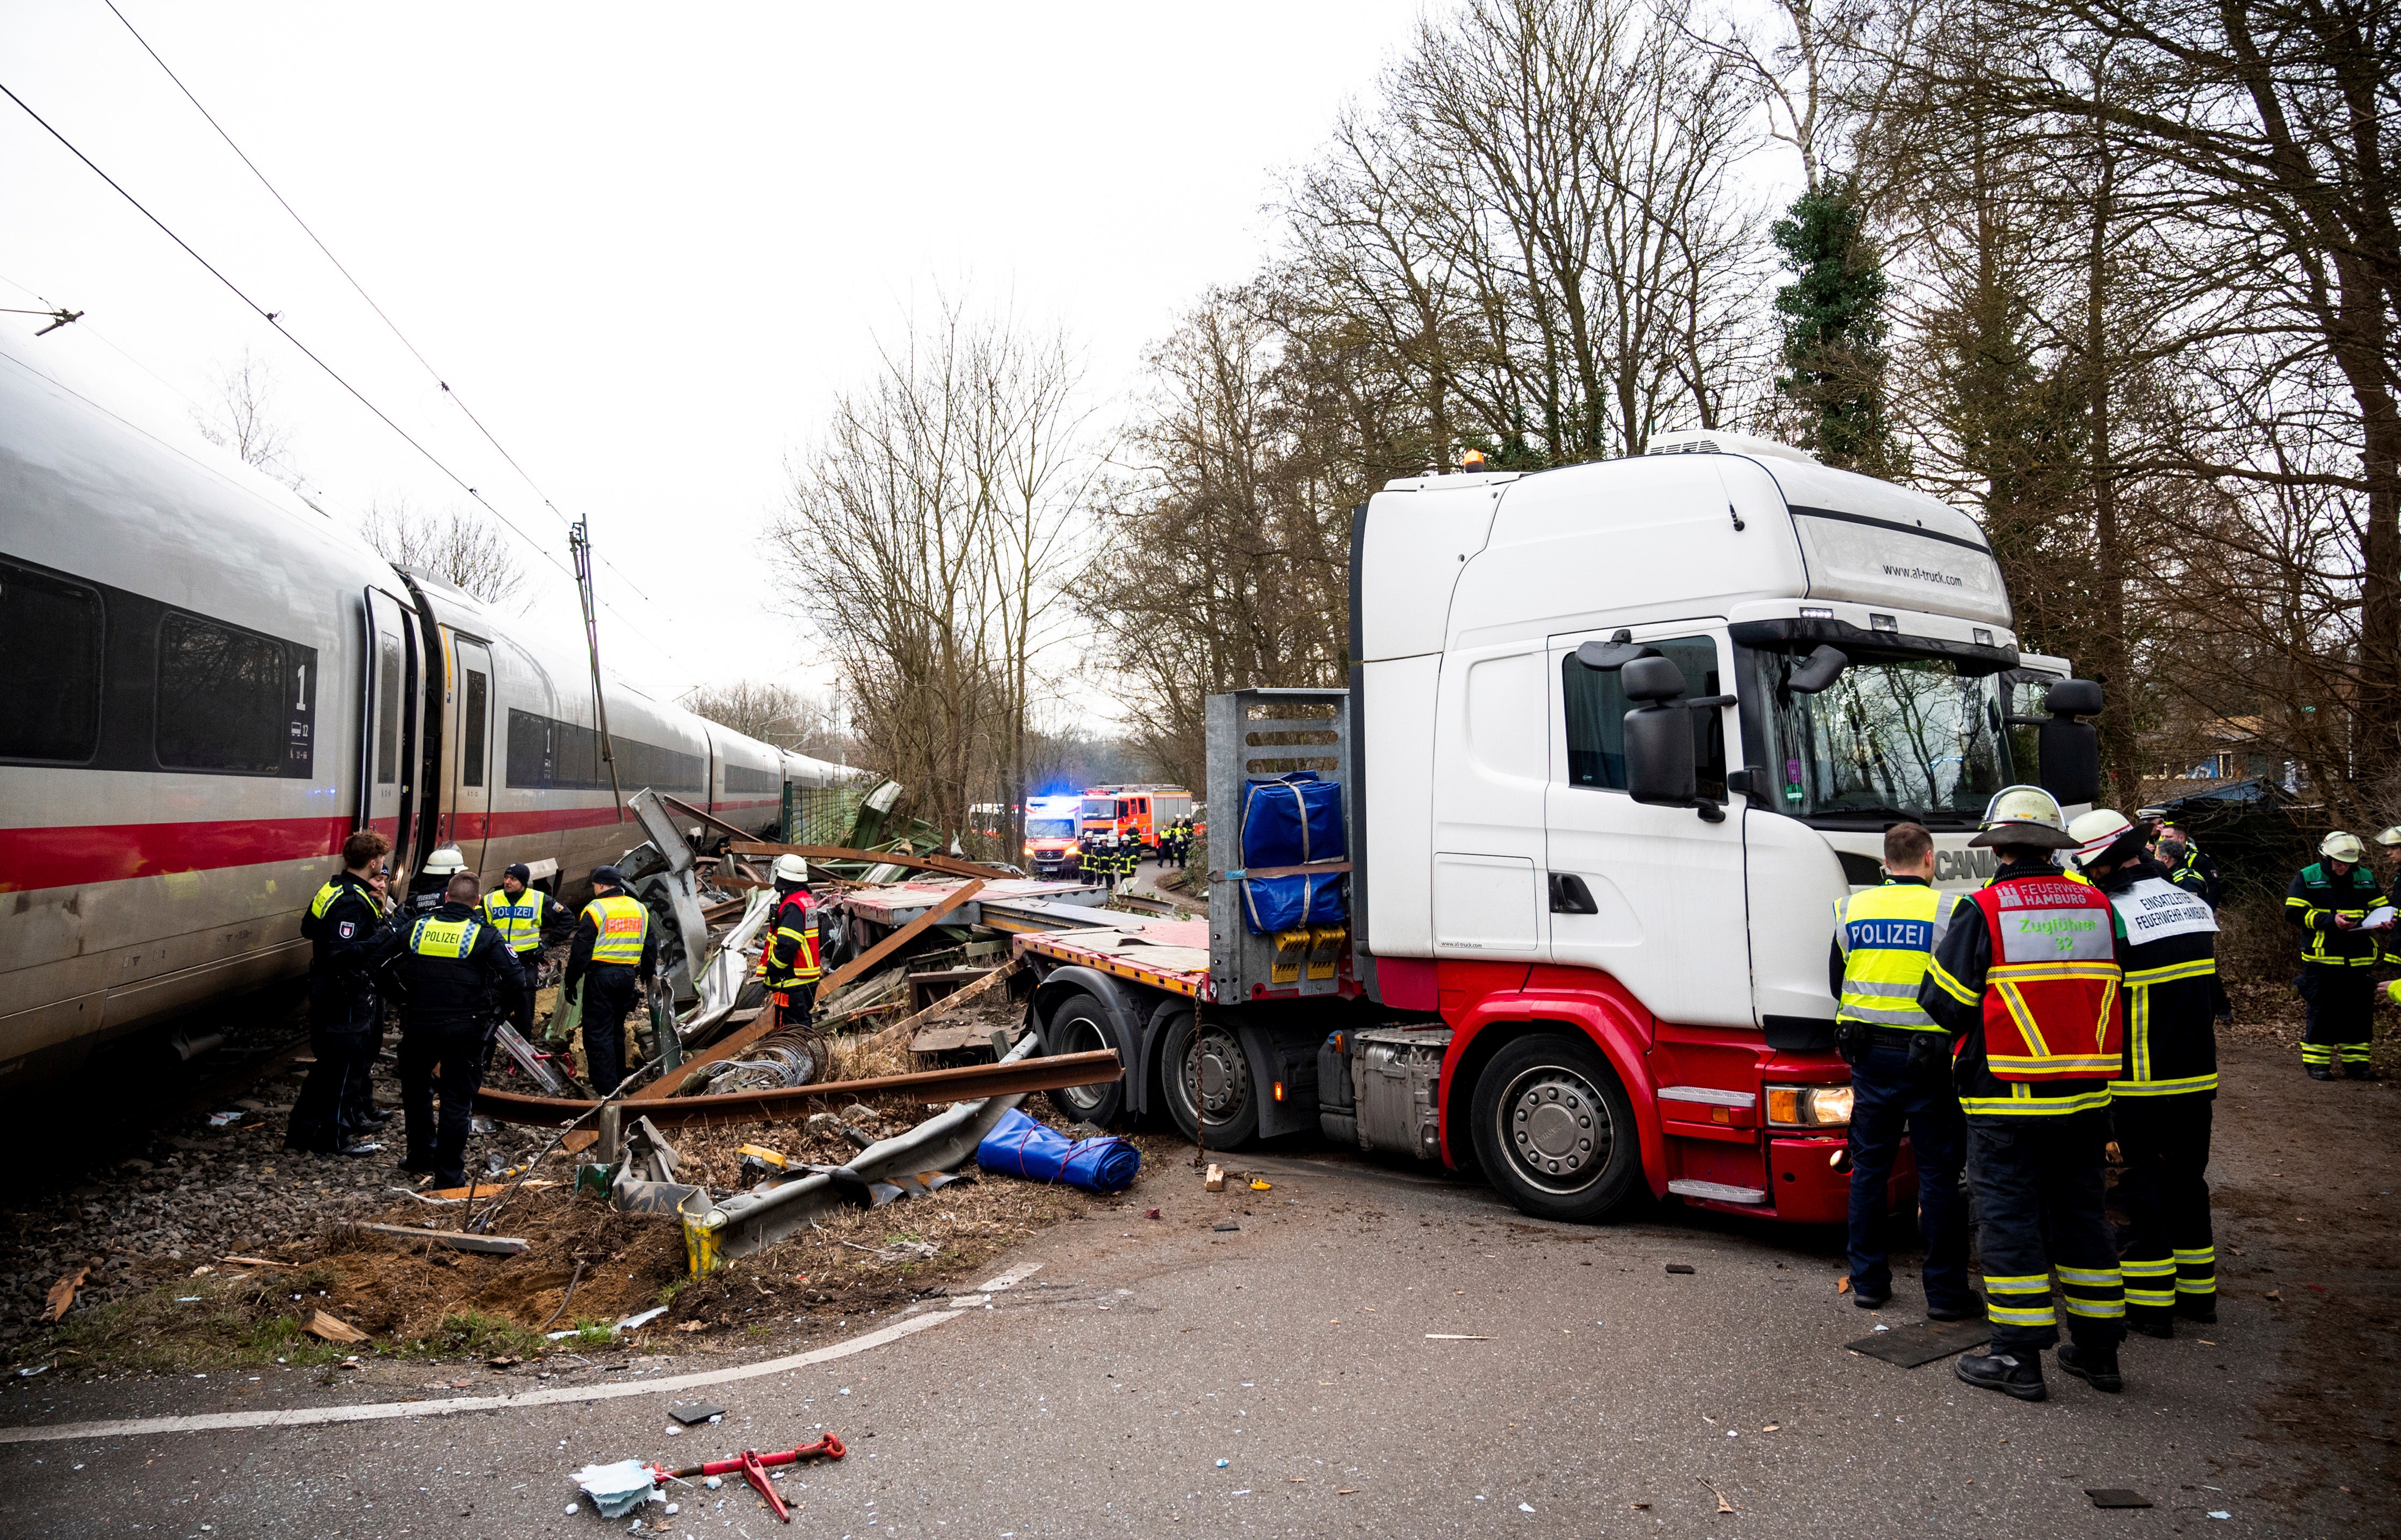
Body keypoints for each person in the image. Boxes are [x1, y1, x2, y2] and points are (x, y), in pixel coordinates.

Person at [1921, 785, 2129, 1402]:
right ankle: (2099, 1352)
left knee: (2009, 1222)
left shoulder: (1984, 909)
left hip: (2008, 1099)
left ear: (2000, 847)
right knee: (2083, 1219)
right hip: (2087, 1096)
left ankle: (2017, 1355)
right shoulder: (2099, 906)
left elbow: (1945, 1003)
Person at [2070, 808, 2222, 1335]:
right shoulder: (2189, 901)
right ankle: (2199, 1294)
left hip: (2138, 1082)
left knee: (2133, 1187)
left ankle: (2149, 1304)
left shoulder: (2109, 914)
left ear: (2102, 864)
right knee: (2187, 1182)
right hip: (2196, 1077)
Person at [1827, 822, 1976, 1320]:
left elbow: (1838, 980)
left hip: (1868, 1057)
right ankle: (1946, 1294)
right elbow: (1963, 989)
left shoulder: (1852, 908)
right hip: (1931, 1061)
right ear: (1929, 859)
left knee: (1869, 1169)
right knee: (1937, 1176)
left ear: (1885, 862)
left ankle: (1868, 1282)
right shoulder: (1950, 910)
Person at [386, 871, 522, 1188]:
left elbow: (377, 964)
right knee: (457, 1101)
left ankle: (420, 1156)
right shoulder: (484, 935)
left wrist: (404, 998)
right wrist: (497, 1011)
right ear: (477, 903)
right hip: (466, 1029)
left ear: (446, 897)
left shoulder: (418, 927)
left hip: (419, 1025)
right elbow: (517, 980)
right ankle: (448, 1179)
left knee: (416, 1092)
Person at [285, 830, 396, 1157]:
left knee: (326, 1067)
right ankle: (334, 1140)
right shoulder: (353, 901)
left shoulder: (331, 889)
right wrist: (385, 936)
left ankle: (300, 1134)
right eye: (382, 862)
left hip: (326, 989)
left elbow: (309, 928)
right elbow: (341, 952)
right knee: (343, 1070)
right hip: (344, 995)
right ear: (373, 862)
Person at [2285, 831, 2390, 1080]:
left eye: (2348, 863)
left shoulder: (2364, 877)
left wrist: (2386, 922)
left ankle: (2357, 1065)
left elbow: (2381, 907)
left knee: (2359, 1015)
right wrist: (2331, 920)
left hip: (2360, 959)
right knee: (2323, 1012)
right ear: (2326, 856)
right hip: (2323, 960)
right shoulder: (2307, 877)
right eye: (2338, 862)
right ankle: (2317, 1064)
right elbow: (2294, 913)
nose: (2343, 867)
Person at [562, 865, 657, 1096]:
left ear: (602, 885)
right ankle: (619, 1079)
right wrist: (647, 973)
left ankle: (607, 1089)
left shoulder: (596, 909)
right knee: (616, 1029)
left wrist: (571, 980)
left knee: (597, 1032)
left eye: (595, 885)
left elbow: (581, 950)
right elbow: (650, 944)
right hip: (626, 978)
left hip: (601, 978)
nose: (594, 889)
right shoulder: (639, 908)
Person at [480, 864, 573, 1044]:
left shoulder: (538, 899)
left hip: (525, 962)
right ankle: (488, 1049)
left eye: (513, 879)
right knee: (492, 1006)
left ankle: (522, 1048)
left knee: (525, 1007)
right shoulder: (491, 899)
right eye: (506, 877)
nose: (508, 882)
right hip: (498, 963)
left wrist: (548, 943)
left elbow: (567, 918)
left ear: (523, 882)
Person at [762, 854, 822, 1031]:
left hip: (793, 980)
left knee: (793, 1029)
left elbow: (789, 944)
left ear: (783, 878)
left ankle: (799, 1058)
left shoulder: (793, 906)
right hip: (806, 977)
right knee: (800, 1022)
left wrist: (773, 967)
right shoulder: (805, 900)